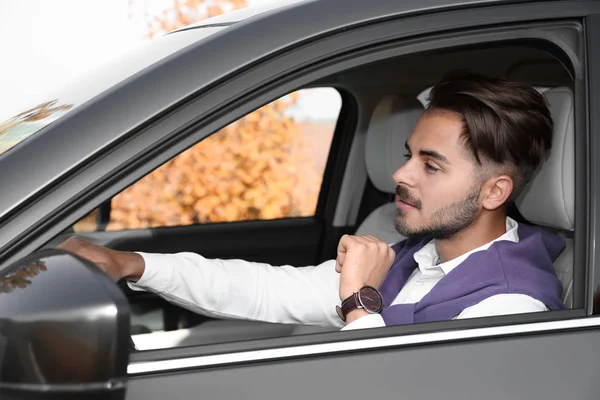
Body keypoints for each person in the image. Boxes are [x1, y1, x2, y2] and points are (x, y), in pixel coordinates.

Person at [58, 71, 565, 331]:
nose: (399, 174)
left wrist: (357, 301)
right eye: (409, 155)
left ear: (495, 191)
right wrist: (131, 263)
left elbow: (393, 386)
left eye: (430, 166)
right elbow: (267, 289)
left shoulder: (512, 302)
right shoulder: (419, 256)